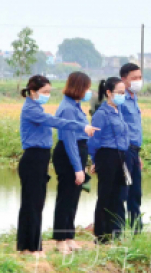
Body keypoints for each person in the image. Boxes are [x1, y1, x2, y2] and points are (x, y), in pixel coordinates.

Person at [17, 75, 97, 254]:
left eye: (48, 92)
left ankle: (31, 246)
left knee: (36, 203)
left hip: (41, 158)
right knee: (32, 204)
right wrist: (81, 127)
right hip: (33, 158)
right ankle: (30, 247)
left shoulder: (37, 108)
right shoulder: (32, 110)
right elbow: (55, 122)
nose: (47, 95)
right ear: (32, 92)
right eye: (44, 92)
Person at [52, 71, 93, 253]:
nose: (89, 92)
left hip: (78, 151)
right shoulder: (68, 108)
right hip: (69, 153)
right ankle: (60, 239)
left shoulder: (76, 106)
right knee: (66, 197)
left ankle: (69, 236)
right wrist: (77, 168)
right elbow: (69, 140)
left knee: (73, 197)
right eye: (87, 88)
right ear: (79, 88)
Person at [88, 77, 130, 243]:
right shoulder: (101, 114)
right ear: (109, 93)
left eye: (123, 92)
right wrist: (95, 160)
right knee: (105, 195)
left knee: (117, 196)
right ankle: (101, 235)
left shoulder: (119, 111)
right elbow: (94, 140)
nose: (122, 95)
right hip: (107, 156)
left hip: (120, 156)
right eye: (119, 92)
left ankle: (114, 232)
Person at [119, 62, 144, 232]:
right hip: (124, 151)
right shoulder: (121, 100)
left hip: (134, 151)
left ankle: (136, 229)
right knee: (123, 190)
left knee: (136, 192)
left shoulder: (134, 99)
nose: (138, 81)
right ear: (124, 79)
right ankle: (117, 229)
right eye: (134, 78)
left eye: (140, 77)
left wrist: (137, 154)